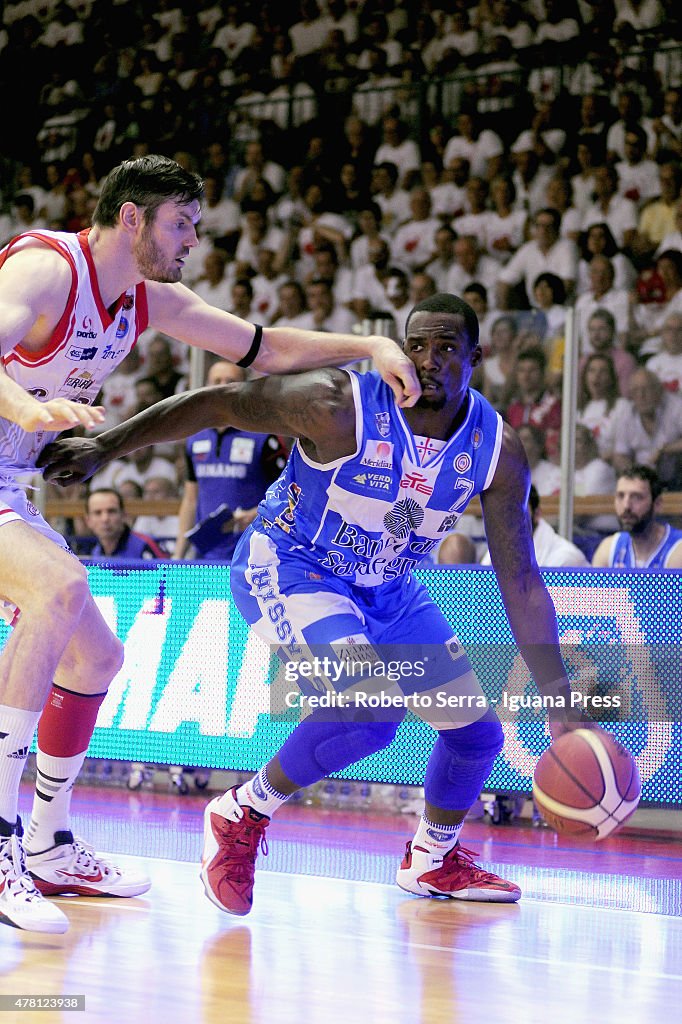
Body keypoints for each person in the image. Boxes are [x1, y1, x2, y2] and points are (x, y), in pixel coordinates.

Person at [41, 293, 591, 918]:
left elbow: (519, 579)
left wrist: (560, 697)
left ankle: (433, 858)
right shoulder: (339, 403)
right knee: (369, 708)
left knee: (475, 732)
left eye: (446, 349)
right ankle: (241, 810)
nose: (428, 361)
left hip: (390, 584)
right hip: (292, 564)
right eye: (418, 346)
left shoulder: (497, 449)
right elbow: (218, 403)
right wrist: (106, 447)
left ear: (476, 358)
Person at [0, 154, 418, 934]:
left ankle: (49, 844)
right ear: (133, 217)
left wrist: (365, 345)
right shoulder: (44, 268)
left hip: (10, 485)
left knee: (97, 658)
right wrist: (26, 408)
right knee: (57, 589)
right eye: (181, 223)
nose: (193, 239)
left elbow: (262, 347)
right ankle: (1, 846)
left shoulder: (146, 299)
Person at [173, 361, 288, 561]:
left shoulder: (263, 436)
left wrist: (254, 514)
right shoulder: (194, 436)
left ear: (245, 388)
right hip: (206, 556)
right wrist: (178, 554)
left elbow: (286, 494)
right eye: (217, 381)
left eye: (231, 381)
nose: (223, 386)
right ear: (206, 387)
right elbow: (190, 500)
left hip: (254, 552)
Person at [591, 465, 682, 569]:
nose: (626, 506)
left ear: (657, 504)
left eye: (636, 497)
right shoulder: (608, 550)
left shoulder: (678, 550)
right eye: (621, 496)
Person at [83, 487, 167, 560]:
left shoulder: (146, 545)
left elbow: (168, 576)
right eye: (98, 513)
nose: (105, 519)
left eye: (111, 511)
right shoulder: (96, 552)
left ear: (124, 515)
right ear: (88, 520)